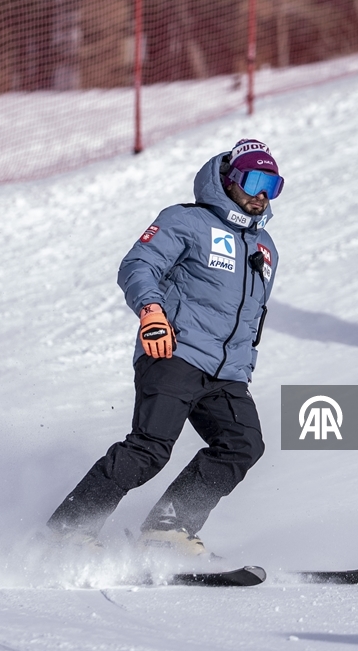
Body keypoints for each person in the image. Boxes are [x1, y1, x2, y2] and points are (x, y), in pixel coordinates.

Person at [45, 139, 282, 557]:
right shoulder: (186, 221)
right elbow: (138, 264)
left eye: (273, 184)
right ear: (229, 180)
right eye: (255, 180)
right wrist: (151, 310)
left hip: (226, 373)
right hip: (174, 352)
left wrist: (243, 365)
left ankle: (168, 528)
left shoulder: (266, 249)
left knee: (242, 445)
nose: (263, 193)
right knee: (149, 450)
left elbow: (249, 316)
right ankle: (68, 528)